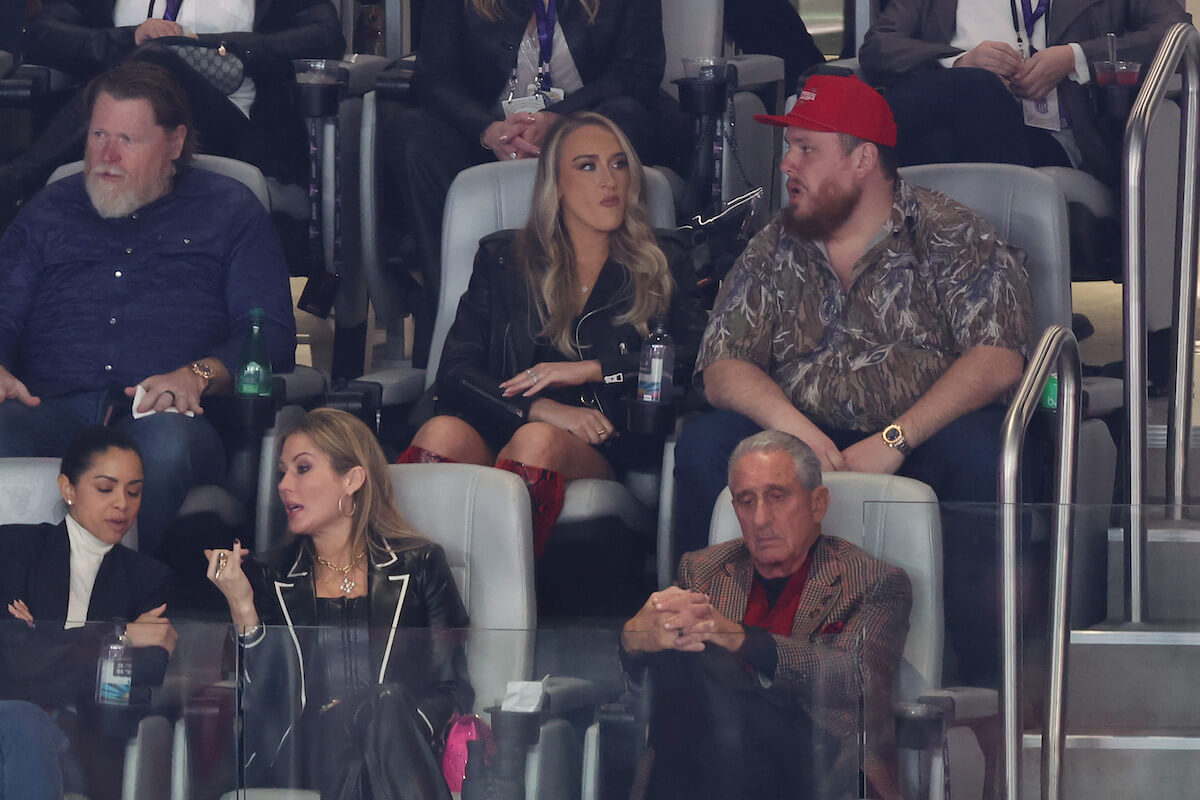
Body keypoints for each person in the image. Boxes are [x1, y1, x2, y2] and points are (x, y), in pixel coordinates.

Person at [672, 74, 1036, 687]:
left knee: (982, 454)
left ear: (863, 158)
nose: (787, 163)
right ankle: (700, 659)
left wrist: (894, 440)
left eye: (807, 148)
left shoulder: (953, 233)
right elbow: (722, 364)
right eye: (789, 147)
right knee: (707, 445)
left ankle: (985, 682)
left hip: (919, 441)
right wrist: (799, 437)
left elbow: (997, 358)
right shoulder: (775, 243)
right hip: (803, 436)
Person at [0, 60, 296, 555]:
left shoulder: (230, 210)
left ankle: (105, 599)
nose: (106, 155)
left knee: (159, 447)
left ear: (175, 143)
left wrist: (197, 374)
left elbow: (268, 333)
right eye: (97, 135)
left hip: (168, 417)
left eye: (128, 140)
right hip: (51, 407)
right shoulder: (50, 210)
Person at [396, 112, 706, 558]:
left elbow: (697, 356)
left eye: (618, 164)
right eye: (587, 166)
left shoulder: (663, 258)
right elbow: (456, 371)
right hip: (504, 421)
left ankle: (499, 598)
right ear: (556, 184)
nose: (609, 181)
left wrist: (591, 370)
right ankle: (411, 595)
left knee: (537, 442)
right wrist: (538, 408)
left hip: (601, 440)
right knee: (442, 432)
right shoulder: (503, 258)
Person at [379, 0, 688, 367]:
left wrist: (559, 121)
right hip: (491, 137)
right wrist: (488, 130)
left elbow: (637, 72)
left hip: (587, 128)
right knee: (413, 136)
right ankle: (450, 309)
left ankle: (616, 325)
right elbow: (434, 78)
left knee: (627, 118)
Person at [622, 431, 911, 800]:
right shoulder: (704, 569)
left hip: (820, 758)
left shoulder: (873, 580)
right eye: (745, 501)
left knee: (698, 663)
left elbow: (859, 680)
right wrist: (632, 639)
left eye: (777, 497)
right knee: (681, 657)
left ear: (818, 504)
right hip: (711, 759)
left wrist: (742, 640)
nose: (760, 518)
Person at [205, 408, 472, 798]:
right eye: (282, 472)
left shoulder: (420, 565)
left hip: (397, 749)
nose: (283, 485)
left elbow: (453, 690)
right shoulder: (268, 575)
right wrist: (242, 604)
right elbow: (261, 702)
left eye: (302, 469)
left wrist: (388, 725)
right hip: (302, 756)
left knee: (384, 706)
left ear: (352, 479)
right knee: (377, 709)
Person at [0, 0, 344, 221]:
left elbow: (326, 36)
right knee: (152, 57)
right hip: (119, 126)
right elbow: (42, 35)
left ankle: (18, 179)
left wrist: (222, 47)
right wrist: (128, 38)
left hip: (226, 126)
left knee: (158, 57)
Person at [0, 426, 177, 800]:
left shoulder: (148, 579)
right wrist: (120, 634)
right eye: (105, 488)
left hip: (89, 740)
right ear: (68, 489)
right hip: (11, 727)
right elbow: (9, 658)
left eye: (134, 491)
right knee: (24, 723)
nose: (122, 504)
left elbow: (137, 677)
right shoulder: (14, 549)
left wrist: (41, 641)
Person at [858, 0, 1187, 184]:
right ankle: (999, 293)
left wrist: (1075, 57)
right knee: (964, 103)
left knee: (952, 126)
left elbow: (1174, 33)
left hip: (1049, 136)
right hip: (944, 112)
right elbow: (878, 47)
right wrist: (957, 61)